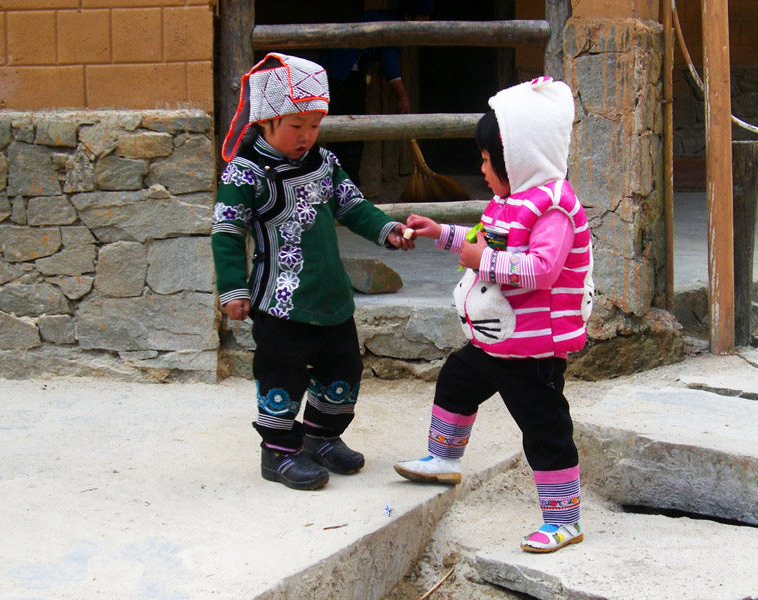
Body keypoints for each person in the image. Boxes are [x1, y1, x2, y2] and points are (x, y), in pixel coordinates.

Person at [393, 77, 595, 553]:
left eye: (487, 159)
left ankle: (564, 519)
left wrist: (481, 261)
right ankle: (442, 458)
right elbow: (480, 241)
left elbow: (542, 271)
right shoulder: (510, 203)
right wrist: (438, 231)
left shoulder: (554, 210)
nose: (481, 168)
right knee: (457, 380)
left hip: (533, 351)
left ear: (519, 157)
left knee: (545, 431)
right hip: (498, 341)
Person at [213, 53, 414, 491]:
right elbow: (227, 232)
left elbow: (352, 205)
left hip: (331, 297)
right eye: (295, 126)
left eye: (315, 125)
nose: (306, 136)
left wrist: (388, 230)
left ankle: (322, 438)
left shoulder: (324, 163)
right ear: (265, 121)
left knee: (342, 370)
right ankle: (279, 453)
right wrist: (231, 288)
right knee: (282, 374)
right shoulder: (245, 174)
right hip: (280, 302)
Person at [320, 0, 433, 183]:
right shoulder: (391, 26)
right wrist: (403, 96)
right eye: (423, 18)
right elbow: (390, 65)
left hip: (345, 74)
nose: (425, 23)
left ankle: (346, 181)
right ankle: (345, 182)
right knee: (345, 129)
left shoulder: (384, 19)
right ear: (413, 14)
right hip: (340, 75)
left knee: (349, 130)